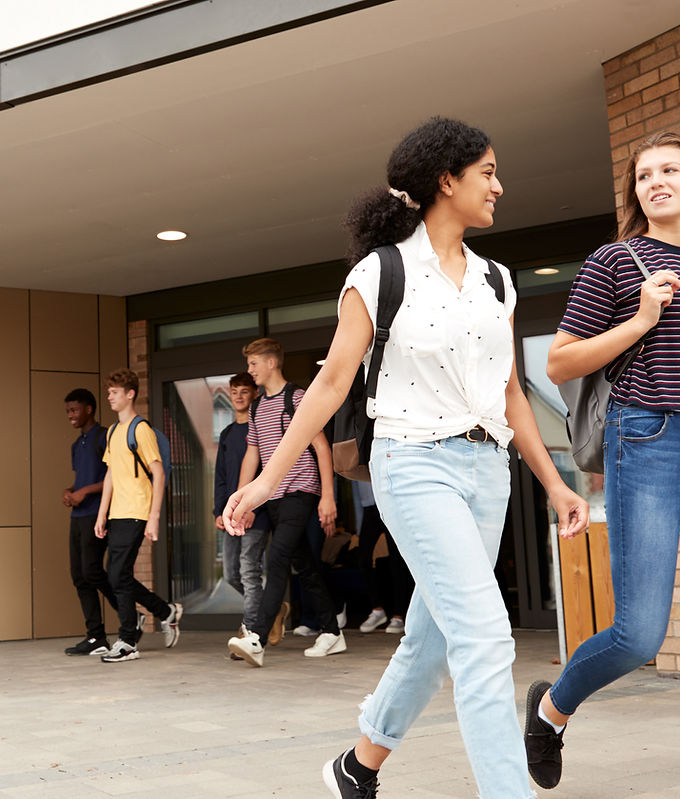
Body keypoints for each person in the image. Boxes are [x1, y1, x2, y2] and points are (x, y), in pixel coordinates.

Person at [223, 117, 588, 799]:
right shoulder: (382, 272)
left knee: (433, 636)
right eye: (486, 172)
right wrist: (269, 481)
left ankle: (355, 767)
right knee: (482, 635)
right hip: (413, 464)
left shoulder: (497, 281)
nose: (498, 186)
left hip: (487, 474)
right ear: (444, 181)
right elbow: (331, 383)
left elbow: (509, 392)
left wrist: (555, 482)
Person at [529, 131, 680, 799]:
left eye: (669, 170)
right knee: (638, 633)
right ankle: (551, 709)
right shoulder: (616, 261)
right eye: (643, 175)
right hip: (645, 439)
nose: (654, 181)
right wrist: (638, 320)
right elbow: (559, 362)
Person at [225, 338, 344, 665]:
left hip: (300, 490)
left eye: (253, 364)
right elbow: (253, 454)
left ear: (272, 363)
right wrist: (241, 501)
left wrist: (328, 496)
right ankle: (333, 631)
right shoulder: (258, 407)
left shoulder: (298, 398)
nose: (250, 371)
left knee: (276, 561)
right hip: (274, 497)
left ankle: (256, 638)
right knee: (303, 565)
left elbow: (320, 446)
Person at [94, 368, 182, 663]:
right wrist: (101, 514)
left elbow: (157, 473)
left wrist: (154, 516)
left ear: (130, 394)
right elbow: (110, 475)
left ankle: (128, 641)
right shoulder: (112, 431)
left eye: (114, 392)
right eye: (109, 393)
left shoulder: (140, 429)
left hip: (137, 510)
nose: (109, 397)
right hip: (117, 512)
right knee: (118, 574)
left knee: (117, 574)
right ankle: (164, 611)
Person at [212, 372, 270, 646]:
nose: (237, 396)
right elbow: (220, 476)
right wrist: (218, 511)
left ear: (254, 394)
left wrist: (256, 506)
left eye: (243, 391)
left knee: (248, 571)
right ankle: (270, 610)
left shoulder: (259, 428)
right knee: (232, 573)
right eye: (234, 391)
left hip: (257, 514)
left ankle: (250, 630)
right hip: (232, 514)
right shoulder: (226, 434)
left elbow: (268, 473)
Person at [62, 388, 118, 657]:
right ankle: (96, 637)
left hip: (97, 515)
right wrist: (72, 491)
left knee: (93, 572)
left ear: (89, 410)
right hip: (77, 517)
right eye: (68, 411)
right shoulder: (77, 444)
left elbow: (113, 476)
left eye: (74, 410)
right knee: (79, 576)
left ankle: (128, 614)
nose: (70, 415)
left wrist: (84, 493)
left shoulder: (103, 436)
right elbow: (83, 479)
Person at [352, 481, 411, 636]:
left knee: (397, 561)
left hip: (391, 505)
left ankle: (398, 615)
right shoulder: (359, 458)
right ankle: (377, 609)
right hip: (369, 510)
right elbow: (357, 495)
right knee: (363, 558)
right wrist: (358, 529)